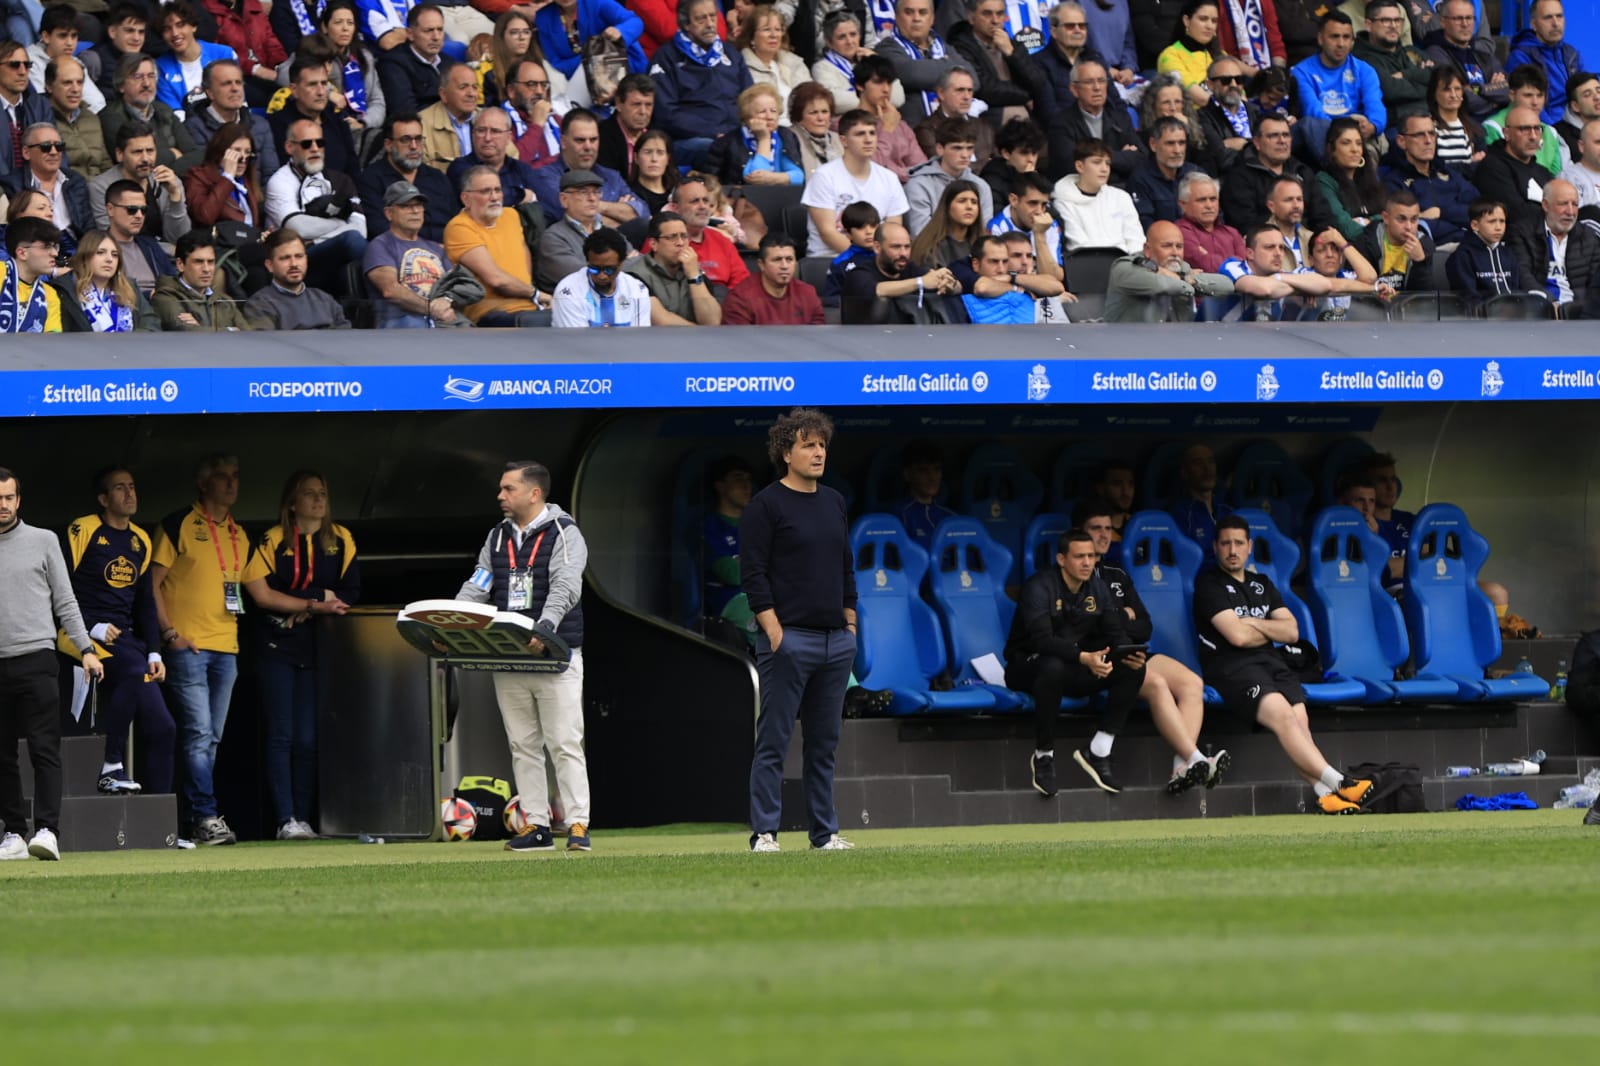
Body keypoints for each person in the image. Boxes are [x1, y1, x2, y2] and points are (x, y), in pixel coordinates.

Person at [1193, 515, 1375, 814]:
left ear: (1249, 546)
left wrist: (1251, 622)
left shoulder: (1261, 583)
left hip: (1271, 662)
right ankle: (1339, 781)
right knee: (1284, 718)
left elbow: (1291, 631)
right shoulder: (1208, 585)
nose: (1232, 550)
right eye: (1225, 543)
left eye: (1239, 543)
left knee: (1300, 722)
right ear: (1215, 547)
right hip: (1232, 667)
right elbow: (1236, 638)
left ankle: (1323, 795)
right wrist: (1265, 627)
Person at [456, 460, 592, 853]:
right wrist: (452, 620)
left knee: (564, 742)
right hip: (510, 657)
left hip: (554, 656)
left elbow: (566, 585)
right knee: (522, 745)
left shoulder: (566, 533)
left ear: (535, 493)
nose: (500, 496)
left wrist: (544, 628)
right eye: (501, 488)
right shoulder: (497, 537)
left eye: (508, 488)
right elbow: (480, 583)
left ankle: (578, 823)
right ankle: (537, 826)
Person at [743, 407, 857, 853]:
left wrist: (850, 624)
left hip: (835, 641)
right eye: (808, 445)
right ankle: (764, 833)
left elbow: (846, 567)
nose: (818, 452)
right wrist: (775, 633)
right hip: (788, 640)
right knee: (773, 740)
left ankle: (824, 834)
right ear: (785, 453)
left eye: (822, 444)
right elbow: (753, 575)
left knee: (823, 746)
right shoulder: (765, 505)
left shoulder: (834, 501)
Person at [1076, 500, 1224, 792]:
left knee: (1192, 683)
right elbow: (1088, 626)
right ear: (1078, 534)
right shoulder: (1073, 576)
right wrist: (1121, 617)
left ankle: (1180, 768)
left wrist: (1120, 622)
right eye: (1096, 529)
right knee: (1156, 683)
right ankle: (1196, 759)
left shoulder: (1117, 574)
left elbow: (1144, 625)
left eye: (1108, 528)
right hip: (1098, 659)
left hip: (1130, 651)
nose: (1104, 535)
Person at [241, 470, 356, 841]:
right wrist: (311, 602)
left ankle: (304, 819)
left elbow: (350, 591)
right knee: (282, 735)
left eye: (322, 493)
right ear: (292, 503)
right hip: (275, 646)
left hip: (318, 648)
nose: (318, 500)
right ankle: (285, 819)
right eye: (309, 494)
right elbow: (261, 595)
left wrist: (311, 604)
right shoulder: (272, 540)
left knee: (308, 738)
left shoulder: (341, 539)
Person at [0, 466, 102, 862]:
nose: (3, 505)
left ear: (18, 500)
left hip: (37, 658)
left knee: (45, 749)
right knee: (1, 754)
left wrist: (86, 649)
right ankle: (13, 833)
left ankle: (47, 830)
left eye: (8, 497)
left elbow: (65, 601)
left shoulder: (44, 541)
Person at [1003, 527, 1146, 796]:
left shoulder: (1097, 587)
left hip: (1072, 667)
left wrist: (1128, 652)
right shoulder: (1039, 586)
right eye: (1080, 556)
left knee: (1133, 668)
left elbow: (1115, 632)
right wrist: (1084, 658)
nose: (1087, 563)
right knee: (1052, 665)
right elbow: (1043, 641)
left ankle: (1098, 750)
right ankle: (1043, 755)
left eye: (1091, 556)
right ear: (1061, 560)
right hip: (1026, 666)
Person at [63, 467, 175, 802]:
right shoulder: (82, 529)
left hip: (124, 640)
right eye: (119, 488)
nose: (129, 494)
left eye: (132, 487)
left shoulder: (140, 539)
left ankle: (162, 823)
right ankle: (111, 765)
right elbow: (60, 587)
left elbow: (145, 601)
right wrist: (90, 626)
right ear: (103, 498)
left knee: (163, 727)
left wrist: (155, 651)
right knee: (129, 669)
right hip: (76, 631)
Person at [151, 453, 245, 846]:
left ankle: (195, 819)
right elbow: (151, 584)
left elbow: (255, 588)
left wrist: (312, 604)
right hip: (188, 647)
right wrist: (170, 634)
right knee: (198, 733)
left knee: (212, 736)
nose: (231, 483)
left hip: (227, 647)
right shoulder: (178, 524)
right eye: (223, 477)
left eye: (235, 476)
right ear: (203, 484)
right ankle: (205, 816)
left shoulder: (239, 532)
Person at [264, 117, 369, 293]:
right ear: (289, 147)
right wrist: (342, 225)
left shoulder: (342, 180)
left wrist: (316, 240)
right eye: (306, 144)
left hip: (326, 253)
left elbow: (360, 230)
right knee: (351, 239)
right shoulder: (279, 181)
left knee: (353, 259)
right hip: (294, 259)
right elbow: (297, 227)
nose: (315, 149)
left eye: (319, 143)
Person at [648, 0, 752, 166]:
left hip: (734, 134)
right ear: (686, 24)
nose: (710, 24)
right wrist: (713, 132)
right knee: (719, 148)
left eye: (713, 16)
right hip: (690, 140)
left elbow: (750, 99)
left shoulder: (731, 54)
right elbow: (666, 114)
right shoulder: (666, 57)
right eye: (701, 19)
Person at [443, 163, 544, 323]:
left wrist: (532, 295)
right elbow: (496, 280)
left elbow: (524, 262)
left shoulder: (511, 215)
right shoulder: (459, 227)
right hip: (491, 312)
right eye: (485, 191)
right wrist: (536, 294)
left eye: (497, 190)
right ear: (466, 199)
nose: (495, 197)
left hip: (529, 306)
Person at [802, 108, 908, 257]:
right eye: (860, 134)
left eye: (872, 133)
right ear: (843, 140)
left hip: (878, 261)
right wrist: (867, 260)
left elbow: (893, 230)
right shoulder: (824, 176)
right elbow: (828, 233)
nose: (868, 139)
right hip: (831, 260)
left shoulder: (889, 178)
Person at [524, 108, 645, 227]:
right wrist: (620, 215)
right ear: (563, 142)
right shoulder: (544, 176)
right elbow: (574, 217)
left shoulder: (612, 177)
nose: (588, 147)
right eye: (580, 140)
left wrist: (600, 207)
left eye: (593, 140)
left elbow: (643, 212)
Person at [364, 178, 460, 327]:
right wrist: (430, 309)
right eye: (406, 206)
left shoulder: (435, 248)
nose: (415, 211)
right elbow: (391, 291)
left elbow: (455, 285)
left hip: (441, 320)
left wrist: (446, 302)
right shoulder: (380, 246)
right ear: (389, 213)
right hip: (401, 322)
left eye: (418, 205)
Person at [1103, 219, 1234, 322]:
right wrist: (1183, 280)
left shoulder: (1181, 268)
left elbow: (1227, 285)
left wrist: (1191, 280)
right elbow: (1161, 285)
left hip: (1177, 345)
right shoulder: (1124, 268)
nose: (1175, 252)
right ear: (1148, 250)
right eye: (1167, 246)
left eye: (1179, 246)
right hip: (1128, 347)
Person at [1507, 177, 1600, 317]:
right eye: (1563, 204)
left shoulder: (1588, 237)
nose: (1570, 212)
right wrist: (1548, 303)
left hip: (1579, 313)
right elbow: (1523, 275)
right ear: (1545, 205)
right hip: (1539, 311)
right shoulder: (1523, 233)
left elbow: (1594, 285)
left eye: (1575, 204)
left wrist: (1579, 309)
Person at [1382, 110, 1476, 245]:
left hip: (1470, 243)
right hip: (1434, 252)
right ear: (1402, 141)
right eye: (1419, 135)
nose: (1428, 140)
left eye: (1432, 134)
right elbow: (1413, 230)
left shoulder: (1449, 173)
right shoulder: (1394, 182)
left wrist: (1441, 212)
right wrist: (1458, 221)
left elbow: (1480, 211)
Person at [947, 0, 1050, 124]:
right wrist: (1026, 96)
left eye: (1000, 14)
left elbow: (1038, 82)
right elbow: (984, 88)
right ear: (971, 18)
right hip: (987, 119)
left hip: (1026, 120)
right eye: (987, 14)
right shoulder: (960, 46)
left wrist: (1012, 54)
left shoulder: (1010, 44)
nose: (995, 20)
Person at [357, 112, 455, 238]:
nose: (414, 146)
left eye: (418, 139)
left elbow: (455, 223)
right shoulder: (370, 180)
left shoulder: (438, 178)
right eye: (405, 140)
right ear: (388, 145)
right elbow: (378, 230)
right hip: (398, 254)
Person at [874, 0, 971, 127]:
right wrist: (947, 65)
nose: (916, 18)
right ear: (896, 17)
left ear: (932, 19)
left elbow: (973, 77)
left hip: (950, 132)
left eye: (923, 12)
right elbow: (913, 74)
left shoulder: (942, 46)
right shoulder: (886, 48)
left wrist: (928, 71)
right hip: (913, 133)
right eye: (909, 12)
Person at [1221, 111, 1323, 230]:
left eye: (1286, 135)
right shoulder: (1238, 178)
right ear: (1257, 142)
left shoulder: (1303, 171)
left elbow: (1322, 215)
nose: (1282, 141)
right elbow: (1245, 225)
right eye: (1274, 135)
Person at [840, 219, 959, 322]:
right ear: (877, 247)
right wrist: (920, 282)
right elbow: (878, 290)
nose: (903, 253)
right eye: (896, 247)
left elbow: (958, 287)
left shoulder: (910, 268)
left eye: (907, 247)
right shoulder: (859, 273)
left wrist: (950, 284)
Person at [1043, 58, 1141, 183]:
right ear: (1074, 89)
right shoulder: (1061, 124)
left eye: (1101, 81)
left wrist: (1095, 160)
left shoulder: (1120, 118)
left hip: (1118, 192)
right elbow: (1072, 168)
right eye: (1089, 82)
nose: (1097, 88)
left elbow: (1140, 158)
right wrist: (1118, 157)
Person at [88, 121, 190, 241]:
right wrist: (166, 250)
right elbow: (113, 240)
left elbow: (181, 238)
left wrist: (175, 198)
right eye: (137, 152)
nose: (146, 159)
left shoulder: (168, 182)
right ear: (120, 154)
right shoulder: (101, 187)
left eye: (150, 151)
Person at [538, 165, 633, 290]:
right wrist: (627, 263)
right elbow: (583, 278)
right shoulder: (553, 238)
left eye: (596, 192)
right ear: (564, 199)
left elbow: (641, 265)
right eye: (583, 192)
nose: (592, 198)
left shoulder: (611, 233)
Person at [267, 55, 360, 180]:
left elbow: (353, 166)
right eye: (312, 85)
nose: (321, 92)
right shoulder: (279, 124)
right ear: (294, 90)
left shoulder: (336, 117)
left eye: (324, 83)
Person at [183, 58, 281, 176]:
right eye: (226, 83)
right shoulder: (194, 127)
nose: (235, 88)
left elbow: (270, 173)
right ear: (210, 93)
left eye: (238, 82)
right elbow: (202, 177)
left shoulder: (260, 125)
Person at [622, 209, 720, 325]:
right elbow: (662, 321)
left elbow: (712, 322)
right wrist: (702, 334)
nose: (680, 243)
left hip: (696, 340)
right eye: (672, 237)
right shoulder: (635, 276)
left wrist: (694, 276)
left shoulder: (694, 271)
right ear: (654, 244)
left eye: (684, 236)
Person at [100, 53, 197, 170]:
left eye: (151, 76)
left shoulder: (163, 110)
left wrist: (172, 172)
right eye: (137, 77)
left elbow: (195, 153)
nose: (146, 83)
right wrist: (173, 154)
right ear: (121, 86)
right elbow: (130, 160)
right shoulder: (110, 116)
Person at [53, 227, 160, 330]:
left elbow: (151, 323)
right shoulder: (66, 290)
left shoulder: (129, 287)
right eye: (100, 252)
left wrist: (132, 342)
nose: (109, 259)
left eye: (115, 255)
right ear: (85, 256)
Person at [655, 173, 749, 289]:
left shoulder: (723, 242)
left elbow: (743, 287)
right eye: (695, 201)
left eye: (705, 200)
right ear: (675, 208)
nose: (703, 206)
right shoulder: (660, 242)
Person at [245, 229, 353, 328]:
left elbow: (346, 341)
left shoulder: (325, 299)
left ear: (306, 260)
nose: (294, 264)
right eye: (285, 258)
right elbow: (266, 346)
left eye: (299, 256)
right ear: (270, 266)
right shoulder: (259, 304)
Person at [905, 114, 994, 234]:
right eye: (957, 148)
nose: (965, 155)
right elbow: (920, 234)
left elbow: (984, 232)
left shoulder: (981, 185)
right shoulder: (918, 185)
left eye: (969, 148)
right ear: (940, 149)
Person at [1051, 137, 1141, 254]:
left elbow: (1136, 239)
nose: (1104, 169)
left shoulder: (1121, 197)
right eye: (1097, 162)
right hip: (1089, 265)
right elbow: (1078, 245)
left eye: (1107, 163)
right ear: (1080, 166)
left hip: (1126, 265)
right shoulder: (1063, 201)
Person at [705, 83, 803, 187]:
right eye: (762, 111)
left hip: (784, 198)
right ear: (747, 117)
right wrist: (764, 139)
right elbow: (756, 180)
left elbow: (798, 177)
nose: (769, 116)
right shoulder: (726, 142)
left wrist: (773, 178)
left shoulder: (786, 135)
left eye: (773, 111)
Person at [1420, 0, 1505, 121]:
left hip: (1493, 119)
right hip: (1465, 122)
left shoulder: (1480, 52)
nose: (1465, 24)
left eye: (1469, 18)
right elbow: (1461, 98)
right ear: (1443, 22)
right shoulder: (1435, 54)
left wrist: (1480, 89)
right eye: (1458, 19)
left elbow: (1509, 90)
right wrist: (1493, 97)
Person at [152, 228, 252, 330]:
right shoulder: (165, 298)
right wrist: (229, 330)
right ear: (180, 264)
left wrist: (201, 328)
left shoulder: (225, 301)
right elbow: (187, 332)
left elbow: (248, 336)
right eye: (198, 262)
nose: (206, 269)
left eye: (211, 262)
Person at [550, 224, 649, 327]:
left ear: (621, 264)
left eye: (609, 270)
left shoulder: (637, 290)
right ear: (587, 262)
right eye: (594, 269)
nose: (602, 276)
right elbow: (576, 341)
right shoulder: (569, 292)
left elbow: (639, 339)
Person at [10, 121, 94, 241]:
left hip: (77, 251)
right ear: (26, 152)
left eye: (59, 146)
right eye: (46, 146)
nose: (54, 152)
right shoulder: (13, 186)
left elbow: (88, 226)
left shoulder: (75, 181)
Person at [1472, 105, 1551, 232]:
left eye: (1537, 129)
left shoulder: (1543, 172)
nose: (1533, 136)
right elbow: (1515, 213)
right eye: (1524, 129)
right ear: (1507, 134)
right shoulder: (1492, 167)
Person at [958, 231, 1067, 322]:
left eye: (1029, 256)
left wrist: (1013, 278)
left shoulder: (1027, 281)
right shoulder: (965, 272)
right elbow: (982, 287)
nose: (1025, 262)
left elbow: (1057, 287)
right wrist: (1017, 288)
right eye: (1016, 255)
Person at [1504, 0, 1580, 127]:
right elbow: (1529, 104)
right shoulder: (1521, 57)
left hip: (1575, 122)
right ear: (1534, 24)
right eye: (1548, 18)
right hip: (1547, 126)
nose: (1555, 23)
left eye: (1559, 16)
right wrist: (1555, 131)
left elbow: (1584, 92)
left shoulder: (1571, 53)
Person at [722, 231, 824, 325]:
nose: (784, 266)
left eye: (789, 259)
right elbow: (738, 342)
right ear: (761, 265)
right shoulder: (740, 298)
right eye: (777, 260)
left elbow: (819, 337)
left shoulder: (807, 293)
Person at [1482, 65, 1565, 178]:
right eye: (1528, 95)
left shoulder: (1551, 132)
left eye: (1540, 96)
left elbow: (1556, 175)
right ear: (1512, 95)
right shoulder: (1492, 127)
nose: (1535, 102)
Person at [445, 104, 540, 202]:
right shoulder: (459, 168)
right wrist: (523, 195)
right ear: (473, 135)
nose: (487, 138)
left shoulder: (522, 170)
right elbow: (483, 199)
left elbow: (546, 206)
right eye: (481, 131)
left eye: (495, 131)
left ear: (508, 138)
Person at [156, 1, 237, 115]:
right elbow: (176, 117)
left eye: (180, 25)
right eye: (167, 29)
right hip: (188, 130)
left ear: (193, 26)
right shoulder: (160, 67)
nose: (174, 33)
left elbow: (237, 101)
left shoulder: (223, 54)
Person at [1352, 0, 1432, 115]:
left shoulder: (1411, 51)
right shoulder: (1362, 59)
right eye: (1386, 21)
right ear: (1369, 25)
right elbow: (1392, 91)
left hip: (1430, 120)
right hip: (1396, 126)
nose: (1393, 26)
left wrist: (1406, 75)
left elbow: (1441, 77)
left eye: (1397, 20)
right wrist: (1428, 83)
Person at [856, 54, 927, 180]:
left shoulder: (901, 125)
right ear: (860, 85)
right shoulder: (845, 125)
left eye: (889, 83)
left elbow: (922, 169)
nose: (886, 89)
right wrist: (886, 130)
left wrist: (892, 170)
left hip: (909, 190)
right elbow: (868, 167)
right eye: (878, 82)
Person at [319, 0, 387, 131]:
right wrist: (327, 92)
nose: (345, 28)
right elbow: (286, 75)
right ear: (325, 27)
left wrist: (362, 123)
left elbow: (377, 101)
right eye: (338, 22)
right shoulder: (313, 51)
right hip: (328, 125)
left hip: (362, 125)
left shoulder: (365, 57)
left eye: (350, 23)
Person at [1350, 186, 1433, 291]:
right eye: (1401, 219)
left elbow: (1426, 297)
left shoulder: (1424, 244)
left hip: (1409, 305)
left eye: (1414, 220)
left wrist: (1420, 262)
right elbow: (1357, 289)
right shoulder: (1366, 242)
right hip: (1373, 304)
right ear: (1385, 218)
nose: (1409, 227)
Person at [1315, 115, 1385, 240]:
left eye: (1359, 143)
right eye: (1346, 143)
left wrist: (1365, 222)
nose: (1355, 150)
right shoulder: (1324, 181)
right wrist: (1377, 222)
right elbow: (1347, 229)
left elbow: (1388, 218)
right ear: (1332, 149)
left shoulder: (1370, 178)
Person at [29, 7, 107, 115]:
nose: (70, 43)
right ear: (46, 36)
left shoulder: (75, 62)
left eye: (74, 36)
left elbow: (97, 103)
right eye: (63, 36)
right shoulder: (28, 62)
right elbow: (42, 104)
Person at [184, 121, 262, 228]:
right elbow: (204, 216)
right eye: (236, 151)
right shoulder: (198, 176)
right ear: (220, 151)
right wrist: (227, 177)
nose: (243, 159)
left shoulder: (245, 180)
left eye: (248, 152)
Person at [737, 2, 808, 120]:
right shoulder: (741, 67)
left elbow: (811, 100)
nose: (774, 35)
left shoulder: (794, 63)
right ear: (752, 37)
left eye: (778, 29)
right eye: (766, 30)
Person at [376, 4, 450, 117]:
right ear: (410, 34)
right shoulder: (393, 64)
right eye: (428, 30)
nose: (436, 37)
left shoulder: (449, 63)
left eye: (440, 30)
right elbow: (405, 112)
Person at [987, 169, 1063, 277]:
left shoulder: (1051, 225)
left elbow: (1056, 276)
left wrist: (1039, 235)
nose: (1039, 211)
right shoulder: (997, 228)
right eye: (1033, 203)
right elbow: (997, 274)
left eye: (1044, 205)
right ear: (1014, 200)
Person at [701, 453, 751, 618]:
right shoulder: (710, 528)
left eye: (748, 479)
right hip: (730, 601)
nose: (746, 485)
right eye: (738, 478)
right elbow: (734, 575)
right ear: (721, 486)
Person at [813, 11, 893, 112]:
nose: (850, 41)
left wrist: (877, 61)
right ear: (829, 42)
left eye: (853, 34)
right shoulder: (821, 68)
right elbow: (834, 101)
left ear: (860, 36)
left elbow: (898, 98)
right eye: (842, 37)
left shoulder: (870, 60)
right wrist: (874, 99)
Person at [1128, 115, 1200, 227]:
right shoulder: (1140, 179)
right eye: (1170, 143)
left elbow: (1215, 215)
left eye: (1181, 143)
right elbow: (1146, 224)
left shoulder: (1196, 173)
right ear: (1153, 144)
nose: (1178, 150)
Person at [0, 38, 52, 188]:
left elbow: (53, 152)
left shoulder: (40, 105)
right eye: (14, 65)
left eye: (27, 65)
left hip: (38, 189)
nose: (23, 72)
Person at [47, 57, 110, 180]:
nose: (75, 89)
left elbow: (105, 164)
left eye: (79, 82)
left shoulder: (91, 118)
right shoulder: (42, 118)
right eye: (67, 83)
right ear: (49, 86)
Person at [1034, 1, 1102, 114]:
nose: (1077, 30)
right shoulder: (1039, 63)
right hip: (1065, 129)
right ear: (1054, 31)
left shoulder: (1096, 58)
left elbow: (1115, 104)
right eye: (1070, 26)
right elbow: (1049, 113)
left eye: (1082, 26)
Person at [1444, 196, 1520, 296]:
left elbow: (1518, 291)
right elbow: (1468, 298)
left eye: (1502, 221)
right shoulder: (1463, 256)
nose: (1498, 227)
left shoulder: (1508, 254)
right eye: (1492, 221)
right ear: (1475, 225)